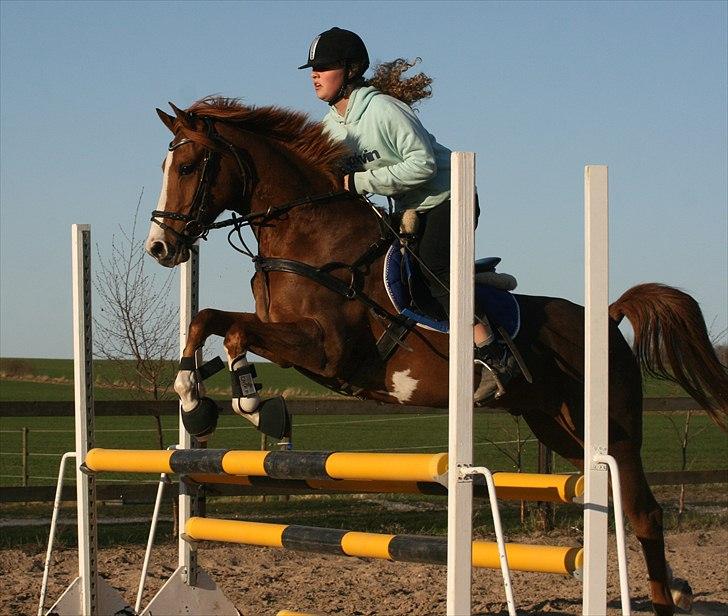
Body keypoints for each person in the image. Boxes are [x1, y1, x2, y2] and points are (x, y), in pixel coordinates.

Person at [299, 27, 517, 400]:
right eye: (313, 68)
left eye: (325, 66)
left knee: (433, 271)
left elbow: (424, 166)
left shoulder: (384, 109)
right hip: (411, 208)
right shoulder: (329, 127)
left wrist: (361, 182)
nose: (315, 74)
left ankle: (493, 354)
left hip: (449, 196)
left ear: (351, 70)